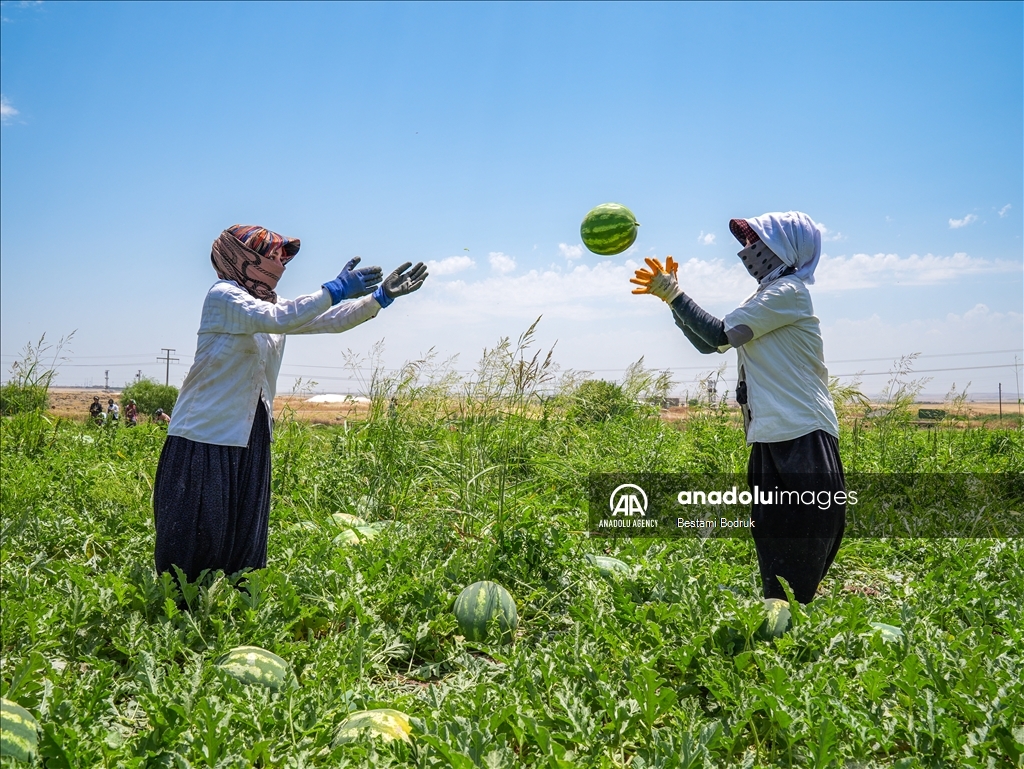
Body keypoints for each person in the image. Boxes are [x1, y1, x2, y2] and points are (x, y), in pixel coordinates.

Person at [153, 224, 428, 585]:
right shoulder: (223, 296)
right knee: (199, 528)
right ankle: (181, 608)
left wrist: (379, 299)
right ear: (240, 258)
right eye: (271, 257)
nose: (280, 265)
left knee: (242, 525)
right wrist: (335, 289)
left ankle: (234, 601)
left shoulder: (272, 305)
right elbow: (280, 319)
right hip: (206, 431)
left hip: (249, 429)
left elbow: (328, 320)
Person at [631, 211, 843, 604]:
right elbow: (709, 344)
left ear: (785, 247)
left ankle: (800, 622)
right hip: (769, 432)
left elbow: (717, 333)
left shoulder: (790, 293)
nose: (748, 250)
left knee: (805, 533)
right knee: (770, 531)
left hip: (802, 431)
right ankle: (776, 613)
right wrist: (671, 301)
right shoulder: (764, 297)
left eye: (755, 241)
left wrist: (676, 296)